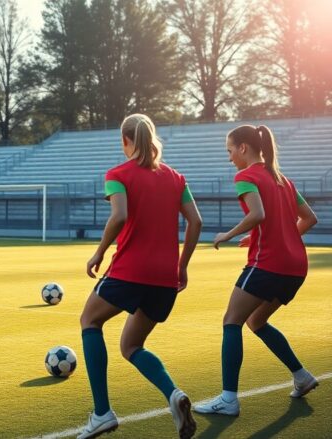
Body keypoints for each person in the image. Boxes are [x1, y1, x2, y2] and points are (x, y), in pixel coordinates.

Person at [77, 114, 202, 439]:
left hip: (130, 271)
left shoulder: (118, 174)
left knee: (90, 320)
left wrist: (100, 251)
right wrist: (182, 265)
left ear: (125, 140)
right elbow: (196, 222)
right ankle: (174, 395)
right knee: (132, 345)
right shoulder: (176, 178)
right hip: (165, 279)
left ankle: (102, 412)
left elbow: (119, 215)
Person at [194, 125, 318, 416]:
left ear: (243, 148)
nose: (229, 159)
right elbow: (309, 218)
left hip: (268, 264)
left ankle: (228, 399)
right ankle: (301, 376)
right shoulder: (282, 179)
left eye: (229, 151)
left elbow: (258, 214)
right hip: (295, 267)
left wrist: (228, 234)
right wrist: (276, 236)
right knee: (257, 321)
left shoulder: (245, 176)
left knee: (231, 321)